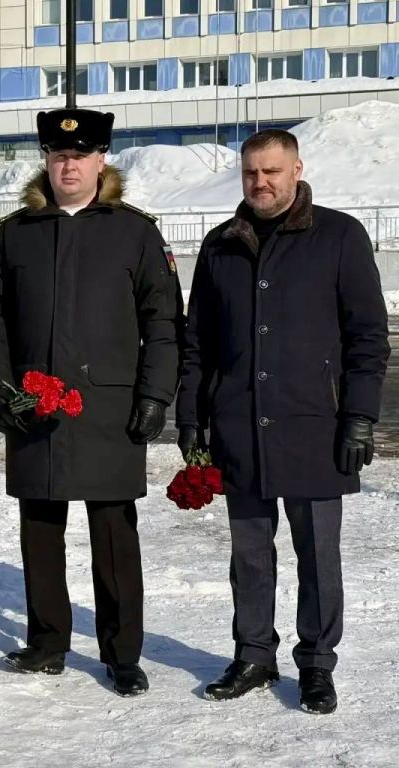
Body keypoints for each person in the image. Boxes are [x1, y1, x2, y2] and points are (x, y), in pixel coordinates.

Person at [177, 129, 389, 715]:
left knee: (318, 554)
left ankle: (317, 665)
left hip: (316, 427)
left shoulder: (339, 236)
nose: (260, 182)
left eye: (272, 171)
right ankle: (253, 655)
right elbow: (197, 342)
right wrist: (191, 415)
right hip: (239, 427)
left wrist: (359, 417)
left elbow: (368, 337)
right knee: (248, 554)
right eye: (251, 173)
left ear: (297, 170)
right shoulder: (222, 245)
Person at [0, 109, 181, 695]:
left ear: (101, 160)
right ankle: (47, 643)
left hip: (109, 409)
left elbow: (163, 319)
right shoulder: (18, 233)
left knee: (114, 534)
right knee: (39, 529)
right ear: (47, 159)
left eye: (81, 154)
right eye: (59, 154)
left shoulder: (134, 232)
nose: (69, 164)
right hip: (32, 408)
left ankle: (122, 654)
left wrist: (156, 394)